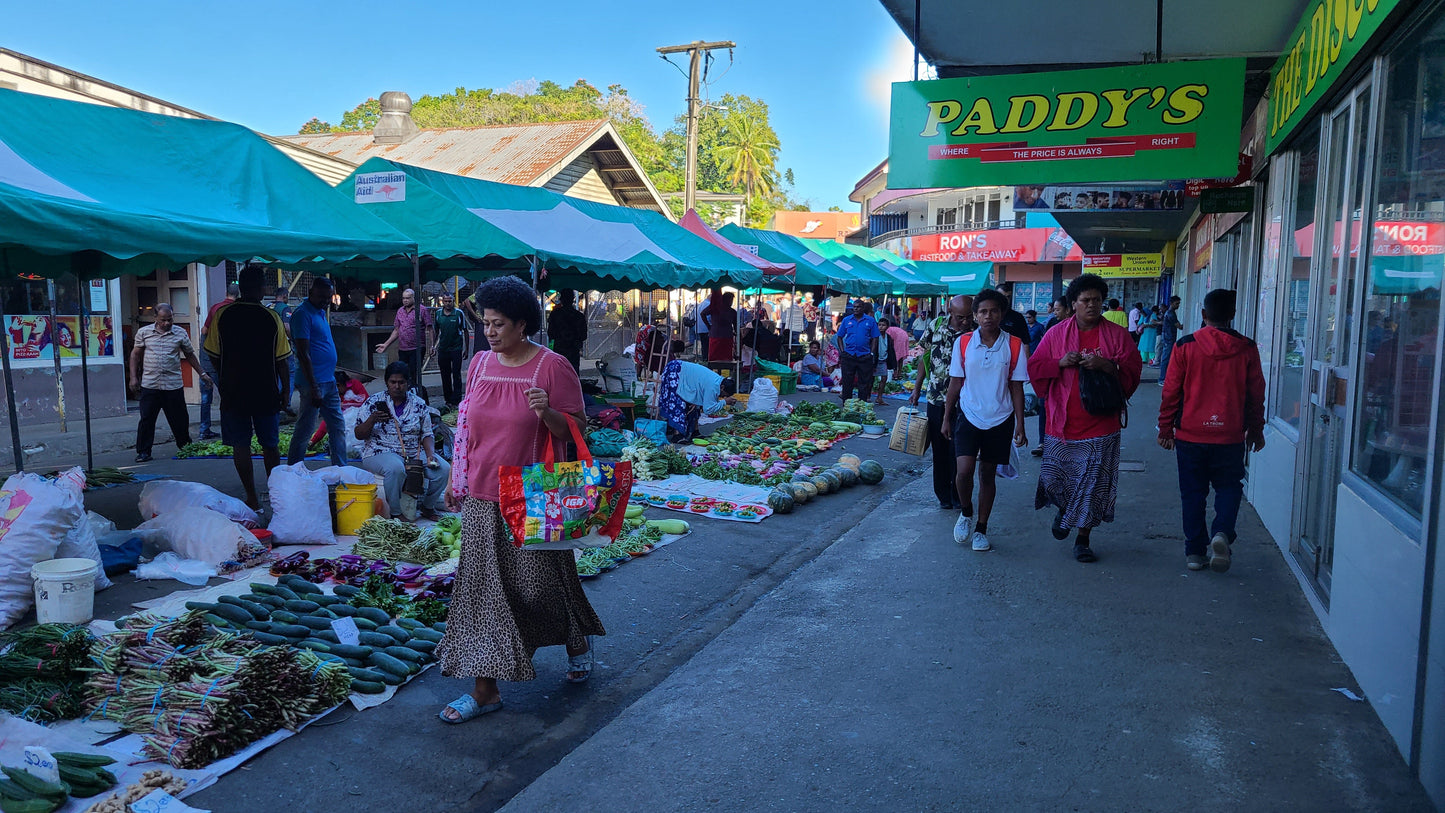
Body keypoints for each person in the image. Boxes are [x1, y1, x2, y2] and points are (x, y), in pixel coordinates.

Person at [437, 275, 602, 723]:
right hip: (483, 495)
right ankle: (485, 689)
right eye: (486, 323)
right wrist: (457, 478)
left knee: (541, 586)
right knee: (483, 593)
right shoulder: (479, 365)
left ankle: (575, 637)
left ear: (522, 324)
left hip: (534, 493)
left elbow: (578, 428)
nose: (490, 332)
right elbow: (467, 428)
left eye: (499, 324)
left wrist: (546, 412)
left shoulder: (551, 367)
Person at [1027, 274, 1143, 563]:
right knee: (1055, 479)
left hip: (1101, 425)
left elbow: (1132, 371)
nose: (1092, 305)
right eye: (1085, 300)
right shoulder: (1055, 334)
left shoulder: (1117, 335)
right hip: (1062, 423)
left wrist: (1107, 365)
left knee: (1093, 485)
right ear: (1073, 304)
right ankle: (1064, 510)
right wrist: (1059, 363)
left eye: (1097, 300)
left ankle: (1083, 539)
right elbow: (1036, 366)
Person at [1157, 289, 1266, 573]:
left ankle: (1194, 552)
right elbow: (1256, 393)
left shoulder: (1185, 345)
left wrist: (1166, 427)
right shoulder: (1247, 347)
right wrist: (1256, 429)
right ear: (1232, 315)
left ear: (1204, 315)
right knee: (1229, 487)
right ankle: (1222, 533)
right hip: (1229, 436)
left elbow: (1171, 392)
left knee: (1192, 494)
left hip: (1190, 435)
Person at [942, 289, 1029, 551]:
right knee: (963, 472)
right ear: (975, 315)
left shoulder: (1013, 345)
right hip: (968, 415)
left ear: (1002, 314)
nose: (988, 316)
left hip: (1000, 419)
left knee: (987, 475)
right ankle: (966, 512)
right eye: (982, 311)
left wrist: (1021, 425)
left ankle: (981, 529)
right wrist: (947, 417)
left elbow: (1016, 387)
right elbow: (956, 382)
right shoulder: (964, 342)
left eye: (993, 311)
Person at [204, 266, 291, 510]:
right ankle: (276, 496)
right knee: (270, 445)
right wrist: (285, 392)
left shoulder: (224, 315)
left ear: (241, 287)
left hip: (234, 390)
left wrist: (225, 374)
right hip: (265, 390)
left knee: (240, 444)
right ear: (261, 287)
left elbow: (213, 354)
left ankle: (251, 496)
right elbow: (281, 361)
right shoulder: (271, 317)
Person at [354, 362, 450, 521]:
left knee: (443, 469)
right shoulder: (374, 402)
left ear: (408, 383)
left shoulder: (418, 404)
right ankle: (396, 513)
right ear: (387, 382)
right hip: (379, 451)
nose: (397, 386)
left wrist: (430, 455)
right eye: (393, 382)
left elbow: (426, 433)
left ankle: (428, 507)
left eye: (401, 382)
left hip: (412, 452)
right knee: (395, 468)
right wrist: (372, 420)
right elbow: (359, 434)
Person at [910, 296, 971, 510]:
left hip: (965, 402)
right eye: (960, 317)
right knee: (940, 450)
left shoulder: (975, 333)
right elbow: (923, 357)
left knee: (960, 451)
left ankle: (958, 494)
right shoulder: (935, 326)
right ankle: (944, 496)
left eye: (968, 317)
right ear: (950, 312)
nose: (965, 321)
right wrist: (916, 389)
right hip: (936, 398)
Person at [130, 303, 210, 463]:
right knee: (147, 419)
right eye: (163, 320)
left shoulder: (180, 333)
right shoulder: (144, 333)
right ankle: (144, 452)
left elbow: (190, 355)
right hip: (150, 384)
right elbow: (135, 355)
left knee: (180, 419)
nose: (166, 323)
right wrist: (133, 377)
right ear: (155, 318)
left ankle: (185, 447)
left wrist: (202, 373)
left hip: (173, 385)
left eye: (170, 320)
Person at [288, 277, 347, 467]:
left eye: (329, 297)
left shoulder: (320, 312)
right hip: (312, 383)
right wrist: (314, 387)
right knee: (305, 430)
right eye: (322, 297)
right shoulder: (302, 314)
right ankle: (293, 471)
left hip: (328, 379)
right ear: (311, 292)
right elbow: (303, 353)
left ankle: (341, 470)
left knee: (337, 426)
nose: (326, 301)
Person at [658, 359, 739, 441]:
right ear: (722, 388)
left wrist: (722, 402)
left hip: (684, 373)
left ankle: (695, 431)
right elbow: (708, 409)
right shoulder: (713, 386)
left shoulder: (718, 382)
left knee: (696, 405)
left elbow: (705, 401)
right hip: (676, 371)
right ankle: (677, 434)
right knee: (678, 403)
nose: (723, 397)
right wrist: (724, 402)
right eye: (724, 395)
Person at [1032, 296, 1073, 457]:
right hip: (1053, 379)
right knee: (1045, 407)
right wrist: (1058, 363)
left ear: (1069, 308)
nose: (1055, 312)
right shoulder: (1053, 326)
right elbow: (1040, 357)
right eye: (1054, 309)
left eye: (1058, 309)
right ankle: (1044, 441)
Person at [197, 284, 238, 441]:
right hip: (221, 361)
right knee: (227, 396)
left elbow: (204, 331)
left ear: (226, 293)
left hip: (206, 359)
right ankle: (230, 429)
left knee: (206, 397)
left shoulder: (215, 307)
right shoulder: (234, 310)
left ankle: (204, 430)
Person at [374, 287, 434, 391]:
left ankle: (415, 395)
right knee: (402, 373)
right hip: (403, 348)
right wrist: (386, 344)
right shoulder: (400, 311)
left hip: (417, 348)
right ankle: (403, 394)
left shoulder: (422, 310)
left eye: (408, 298)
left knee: (414, 374)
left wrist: (432, 346)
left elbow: (430, 328)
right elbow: (397, 330)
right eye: (403, 298)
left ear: (414, 298)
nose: (405, 300)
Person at [311, 369, 370, 447]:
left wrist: (345, 404)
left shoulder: (355, 384)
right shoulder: (335, 392)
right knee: (328, 420)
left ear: (338, 385)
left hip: (360, 413)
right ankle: (312, 441)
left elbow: (366, 401)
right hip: (343, 413)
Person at [835, 299, 880, 402]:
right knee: (847, 382)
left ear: (863, 308)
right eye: (854, 307)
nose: (856, 309)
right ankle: (846, 405)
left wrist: (871, 353)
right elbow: (839, 337)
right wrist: (842, 352)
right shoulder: (847, 320)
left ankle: (861, 405)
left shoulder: (870, 320)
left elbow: (875, 338)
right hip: (849, 355)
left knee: (864, 383)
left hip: (864, 356)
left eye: (858, 307)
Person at [433, 292, 469, 407]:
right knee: (445, 375)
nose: (448, 303)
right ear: (442, 302)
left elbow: (465, 331)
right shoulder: (438, 314)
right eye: (446, 301)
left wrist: (466, 349)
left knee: (456, 374)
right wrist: (433, 346)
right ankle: (448, 400)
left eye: (450, 301)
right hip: (443, 349)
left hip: (456, 348)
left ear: (453, 301)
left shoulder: (459, 314)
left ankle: (457, 400)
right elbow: (436, 331)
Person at [547, 288, 587, 373]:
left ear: (561, 299)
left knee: (558, 376)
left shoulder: (555, 314)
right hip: (573, 353)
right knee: (573, 376)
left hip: (559, 352)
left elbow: (550, 333)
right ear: (573, 299)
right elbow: (584, 336)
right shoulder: (579, 316)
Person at [704, 291, 737, 363]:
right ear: (724, 300)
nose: (731, 302)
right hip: (716, 336)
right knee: (714, 358)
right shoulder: (715, 307)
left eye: (732, 300)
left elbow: (735, 325)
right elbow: (702, 314)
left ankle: (726, 372)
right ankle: (714, 372)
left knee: (726, 358)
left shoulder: (733, 312)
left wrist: (736, 334)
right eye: (730, 300)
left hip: (727, 336)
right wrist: (708, 326)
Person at [1158, 296, 1182, 385]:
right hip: (1169, 338)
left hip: (1168, 336)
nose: (1178, 305)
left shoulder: (1169, 313)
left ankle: (1164, 377)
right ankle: (1162, 378)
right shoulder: (1171, 314)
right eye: (1177, 303)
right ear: (1171, 303)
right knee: (1166, 358)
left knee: (1167, 357)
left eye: (1179, 303)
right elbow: (1179, 326)